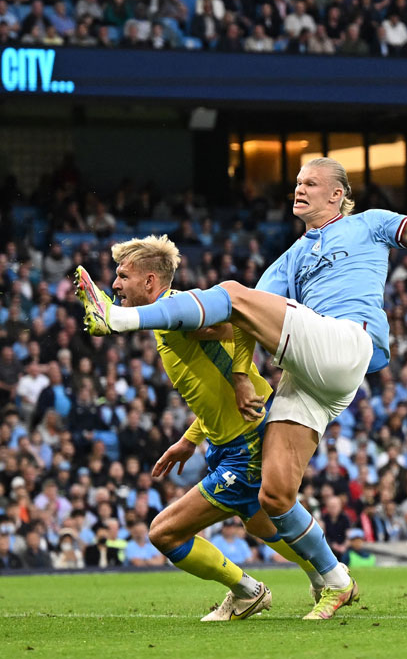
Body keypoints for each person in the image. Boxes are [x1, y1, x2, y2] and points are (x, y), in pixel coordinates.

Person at [76, 162, 407, 619]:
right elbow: (236, 318)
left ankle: (116, 320)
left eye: (310, 183)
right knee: (274, 496)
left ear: (338, 194)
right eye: (296, 183)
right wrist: (237, 375)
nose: (299, 188)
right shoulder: (289, 259)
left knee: (233, 290)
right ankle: (334, 579)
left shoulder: (369, 223)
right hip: (309, 374)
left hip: (346, 341)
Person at [103, 235, 324, 622]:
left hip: (246, 442)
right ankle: (323, 573)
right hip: (228, 440)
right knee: (261, 520)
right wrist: (189, 440)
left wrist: (241, 376)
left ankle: (248, 591)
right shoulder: (174, 315)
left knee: (164, 533)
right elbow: (209, 385)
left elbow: (242, 321)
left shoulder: (176, 309)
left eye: (123, 276)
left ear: (151, 281)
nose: (115, 284)